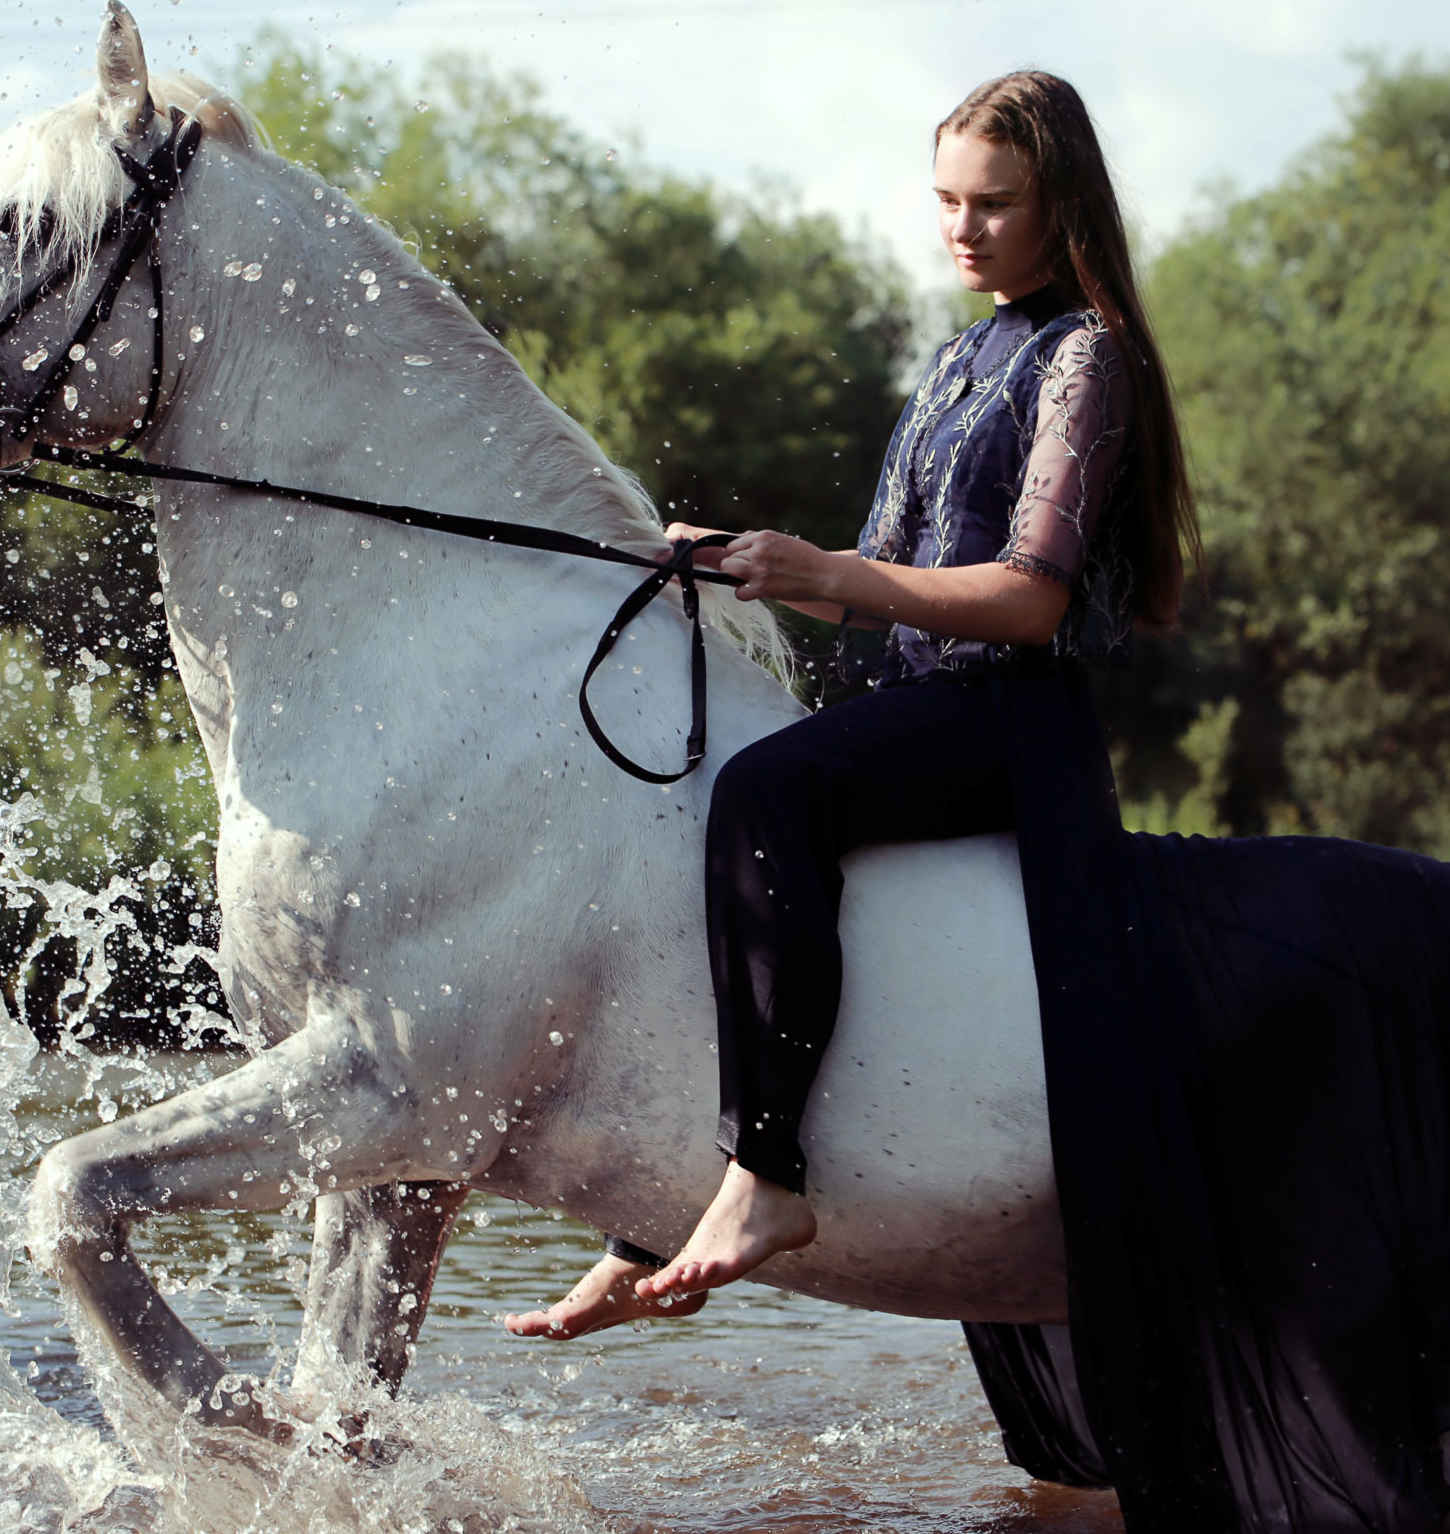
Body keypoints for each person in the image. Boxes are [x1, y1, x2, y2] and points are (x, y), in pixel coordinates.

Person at [507, 69, 1195, 1340]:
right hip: (923, 698)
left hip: (1010, 720)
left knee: (768, 788)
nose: (963, 228)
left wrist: (834, 572)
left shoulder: (1086, 355)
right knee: (709, 808)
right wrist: (744, 556)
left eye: (994, 203)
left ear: (1065, 205)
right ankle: (653, 1214)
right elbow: (877, 585)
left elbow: (1031, 598)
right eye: (945, 200)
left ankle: (766, 1182)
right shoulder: (957, 358)